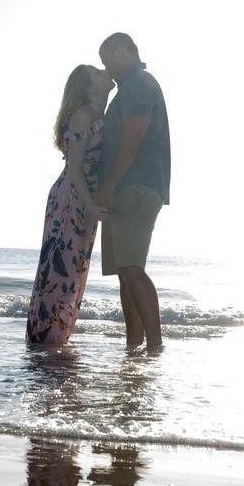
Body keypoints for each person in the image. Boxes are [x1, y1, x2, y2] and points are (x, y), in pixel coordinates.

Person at [26, 64, 114, 344]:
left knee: (72, 271)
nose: (106, 72)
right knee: (59, 273)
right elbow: (75, 167)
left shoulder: (96, 113)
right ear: (88, 88)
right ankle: (46, 342)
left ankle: (54, 339)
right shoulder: (83, 115)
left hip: (80, 199)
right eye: (99, 73)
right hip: (71, 200)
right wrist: (89, 205)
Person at [95, 33, 170, 350]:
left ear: (123, 51)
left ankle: (154, 346)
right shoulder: (127, 89)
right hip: (125, 188)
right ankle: (133, 345)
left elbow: (134, 135)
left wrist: (110, 184)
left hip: (134, 187)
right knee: (125, 271)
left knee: (131, 268)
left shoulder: (139, 83)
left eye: (106, 58)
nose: (106, 67)